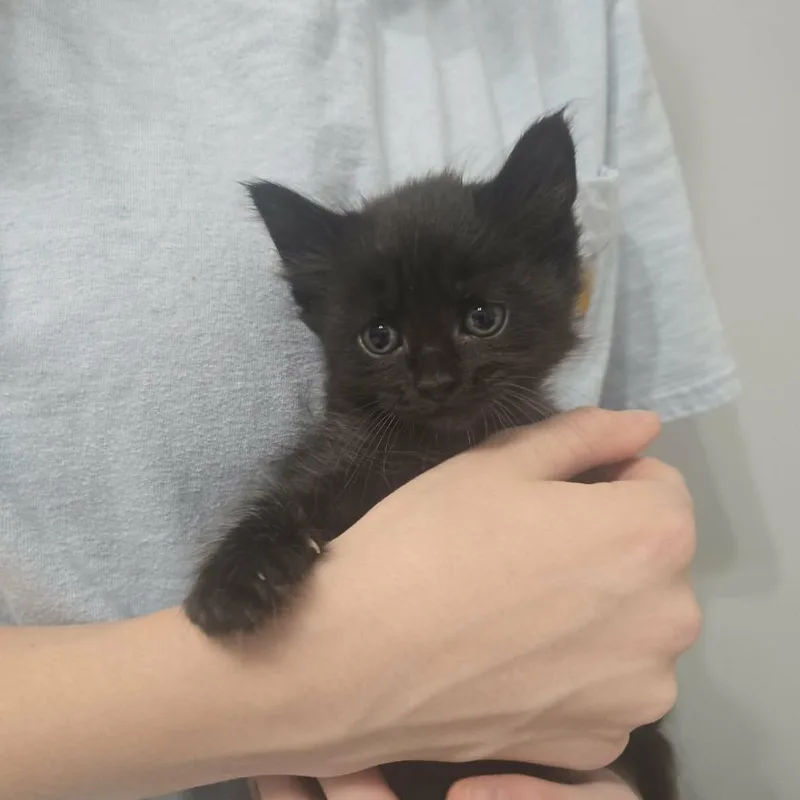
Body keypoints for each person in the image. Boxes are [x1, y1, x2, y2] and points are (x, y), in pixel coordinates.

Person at [0, 1, 738, 799]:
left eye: (478, 319)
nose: (435, 376)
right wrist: (269, 671)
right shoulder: (358, 447)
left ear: (561, 274)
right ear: (324, 319)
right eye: (381, 338)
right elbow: (294, 514)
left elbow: (618, 661)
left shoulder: (569, 18)